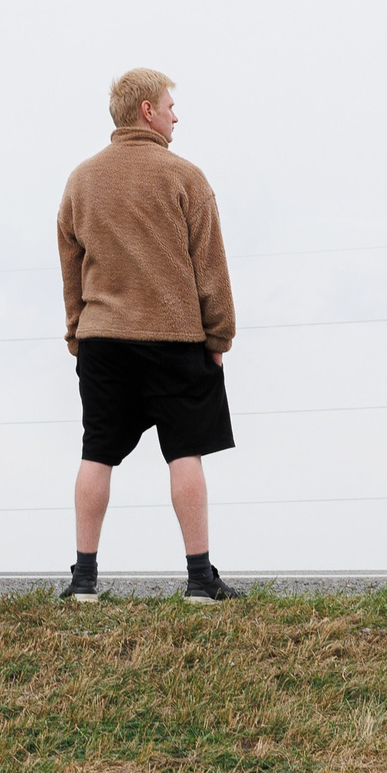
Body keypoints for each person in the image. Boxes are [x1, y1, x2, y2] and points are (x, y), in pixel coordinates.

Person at [56, 67, 240, 603]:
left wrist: (76, 333)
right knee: (185, 452)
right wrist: (219, 338)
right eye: (169, 105)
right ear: (147, 112)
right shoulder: (185, 177)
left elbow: (71, 265)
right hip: (174, 338)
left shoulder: (80, 180)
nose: (175, 115)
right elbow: (210, 267)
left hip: (102, 340)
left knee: (97, 452)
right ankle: (200, 580)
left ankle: (84, 580)